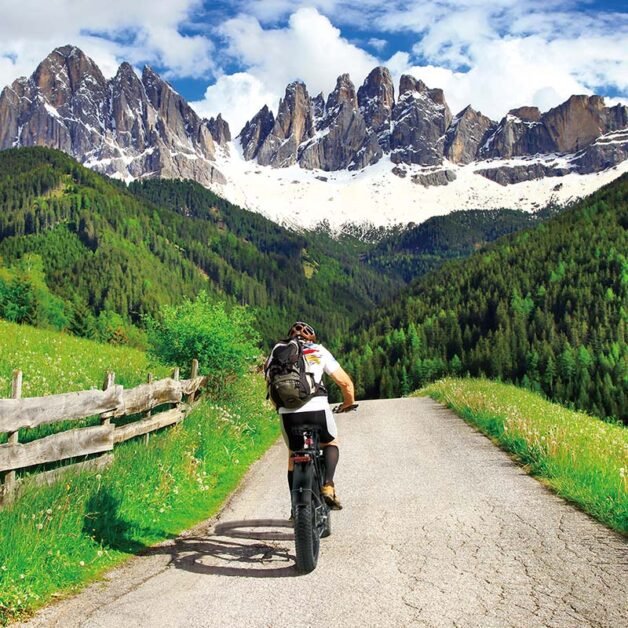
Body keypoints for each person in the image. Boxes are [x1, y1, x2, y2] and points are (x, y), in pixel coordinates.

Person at [267, 321, 355, 510]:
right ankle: (328, 485)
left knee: (293, 454)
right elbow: (345, 383)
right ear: (311, 337)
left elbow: (271, 387)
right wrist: (348, 403)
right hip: (317, 409)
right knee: (331, 442)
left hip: (288, 414)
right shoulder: (318, 350)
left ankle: (295, 507)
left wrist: (282, 409)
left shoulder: (277, 352)